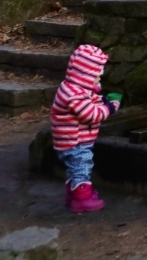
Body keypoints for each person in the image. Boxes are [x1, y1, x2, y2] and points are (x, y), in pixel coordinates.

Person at [50, 44, 120, 213]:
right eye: (97, 74)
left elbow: (89, 99)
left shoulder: (74, 88)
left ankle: (74, 194)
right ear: (85, 73)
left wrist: (102, 99)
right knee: (82, 166)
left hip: (75, 139)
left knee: (75, 169)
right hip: (74, 142)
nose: (99, 78)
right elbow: (90, 114)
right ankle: (82, 198)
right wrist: (110, 108)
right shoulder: (73, 93)